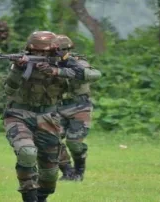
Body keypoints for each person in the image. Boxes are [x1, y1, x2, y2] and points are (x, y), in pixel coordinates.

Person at [3, 30, 101, 202]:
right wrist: (18, 69)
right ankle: (29, 196)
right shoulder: (22, 62)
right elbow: (9, 90)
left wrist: (56, 71)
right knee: (27, 152)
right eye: (36, 52)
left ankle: (43, 195)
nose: (39, 55)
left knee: (49, 175)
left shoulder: (68, 62)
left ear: (54, 51)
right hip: (18, 114)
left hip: (49, 117)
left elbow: (94, 74)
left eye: (45, 52)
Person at [56, 34, 101, 181]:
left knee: (74, 142)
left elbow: (93, 74)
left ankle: (79, 171)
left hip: (80, 106)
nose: (58, 53)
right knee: (50, 140)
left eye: (61, 50)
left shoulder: (78, 62)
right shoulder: (49, 63)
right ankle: (67, 171)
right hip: (57, 107)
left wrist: (69, 67)